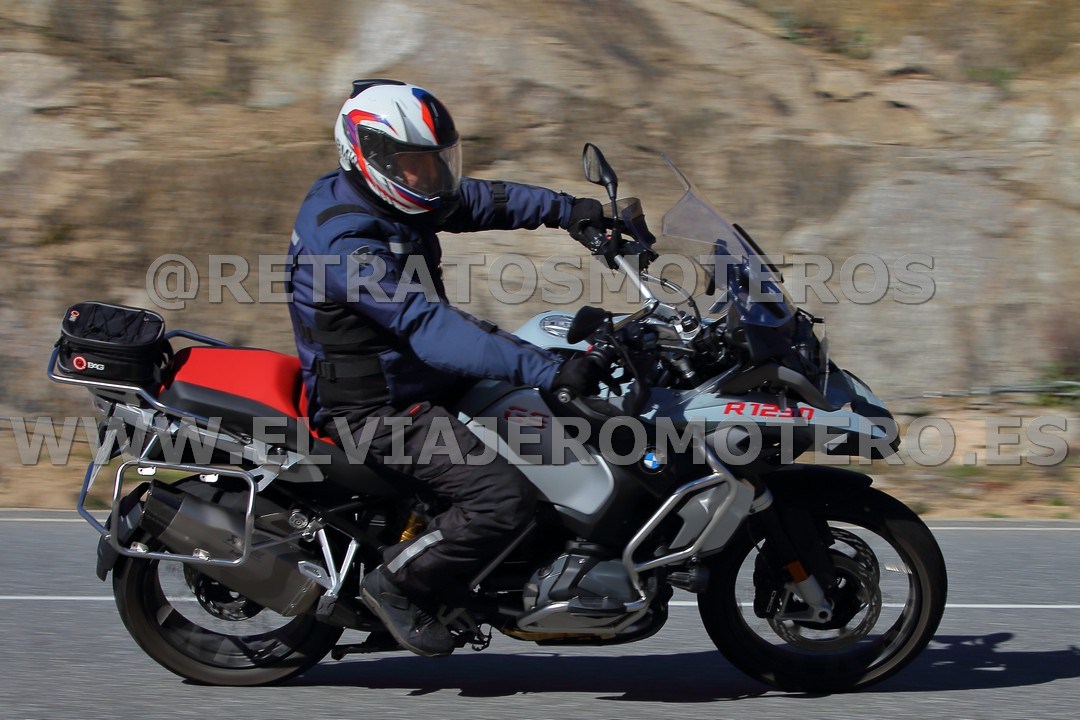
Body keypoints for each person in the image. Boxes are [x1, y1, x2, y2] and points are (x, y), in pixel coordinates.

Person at [286, 79, 629, 657]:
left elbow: (480, 200)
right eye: (415, 162)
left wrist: (571, 211)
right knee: (500, 500)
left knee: (552, 416)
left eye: (436, 160)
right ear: (369, 155)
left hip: (419, 377)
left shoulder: (388, 196)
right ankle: (394, 585)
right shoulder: (345, 242)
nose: (432, 176)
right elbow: (427, 326)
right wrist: (546, 370)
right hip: (375, 409)